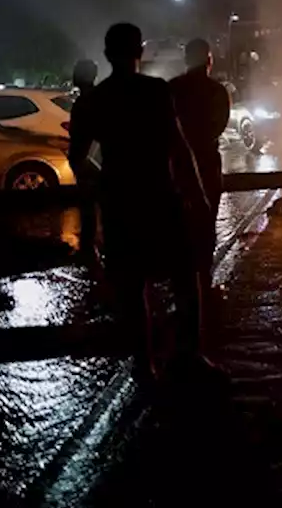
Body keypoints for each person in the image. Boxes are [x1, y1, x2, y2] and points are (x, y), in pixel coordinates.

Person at [66, 23, 213, 381]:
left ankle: (143, 365)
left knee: (132, 289)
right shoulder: (155, 92)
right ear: (139, 53)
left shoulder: (94, 101)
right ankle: (190, 356)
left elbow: (77, 157)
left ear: (106, 54)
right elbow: (179, 148)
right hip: (162, 196)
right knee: (184, 278)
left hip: (120, 203)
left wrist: (101, 180)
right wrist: (198, 195)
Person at [169, 38, 232, 335]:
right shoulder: (217, 92)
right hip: (207, 165)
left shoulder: (171, 89)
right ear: (208, 60)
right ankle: (202, 281)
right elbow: (218, 125)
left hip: (176, 169)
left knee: (180, 227)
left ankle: (183, 287)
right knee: (206, 225)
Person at [70, 58, 101, 258]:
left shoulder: (88, 100)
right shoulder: (91, 98)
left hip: (88, 160)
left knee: (89, 205)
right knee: (89, 205)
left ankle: (89, 248)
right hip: (87, 159)